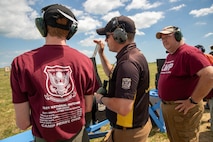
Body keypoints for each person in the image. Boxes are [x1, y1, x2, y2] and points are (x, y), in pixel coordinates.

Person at [10, 4, 99, 142]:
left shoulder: (21, 63)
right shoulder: (85, 61)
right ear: (71, 31)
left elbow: (22, 123)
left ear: (42, 26)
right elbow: (87, 107)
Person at [93, 15, 152, 142]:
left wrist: (101, 99)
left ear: (118, 35)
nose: (106, 40)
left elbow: (123, 108)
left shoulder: (127, 63)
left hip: (128, 132)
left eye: (107, 36)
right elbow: (113, 74)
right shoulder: (132, 55)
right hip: (132, 127)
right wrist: (101, 54)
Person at [156, 26, 213, 142]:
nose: (164, 40)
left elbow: (209, 75)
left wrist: (193, 100)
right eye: (162, 38)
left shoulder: (188, 53)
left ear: (178, 36)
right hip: (172, 109)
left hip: (183, 110)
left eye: (167, 36)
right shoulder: (171, 55)